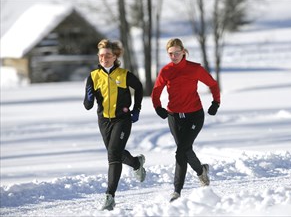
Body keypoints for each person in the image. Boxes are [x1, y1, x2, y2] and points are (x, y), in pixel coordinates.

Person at [151, 38, 220, 202]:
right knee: (185, 150)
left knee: (181, 151)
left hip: (194, 115)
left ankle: (177, 191)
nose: (173, 56)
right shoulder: (166, 71)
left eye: (176, 53)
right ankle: (201, 170)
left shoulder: (194, 68)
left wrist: (215, 102)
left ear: (183, 51)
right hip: (174, 116)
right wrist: (158, 107)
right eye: (170, 54)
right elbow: (156, 90)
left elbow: (213, 84)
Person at [83, 39, 146, 211]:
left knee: (113, 155)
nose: (104, 58)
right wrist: (89, 96)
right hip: (104, 120)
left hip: (122, 119)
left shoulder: (124, 75)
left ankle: (110, 196)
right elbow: (88, 106)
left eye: (108, 55)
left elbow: (139, 88)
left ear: (115, 56)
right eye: (101, 56)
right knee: (115, 152)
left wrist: (136, 109)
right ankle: (136, 163)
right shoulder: (93, 76)